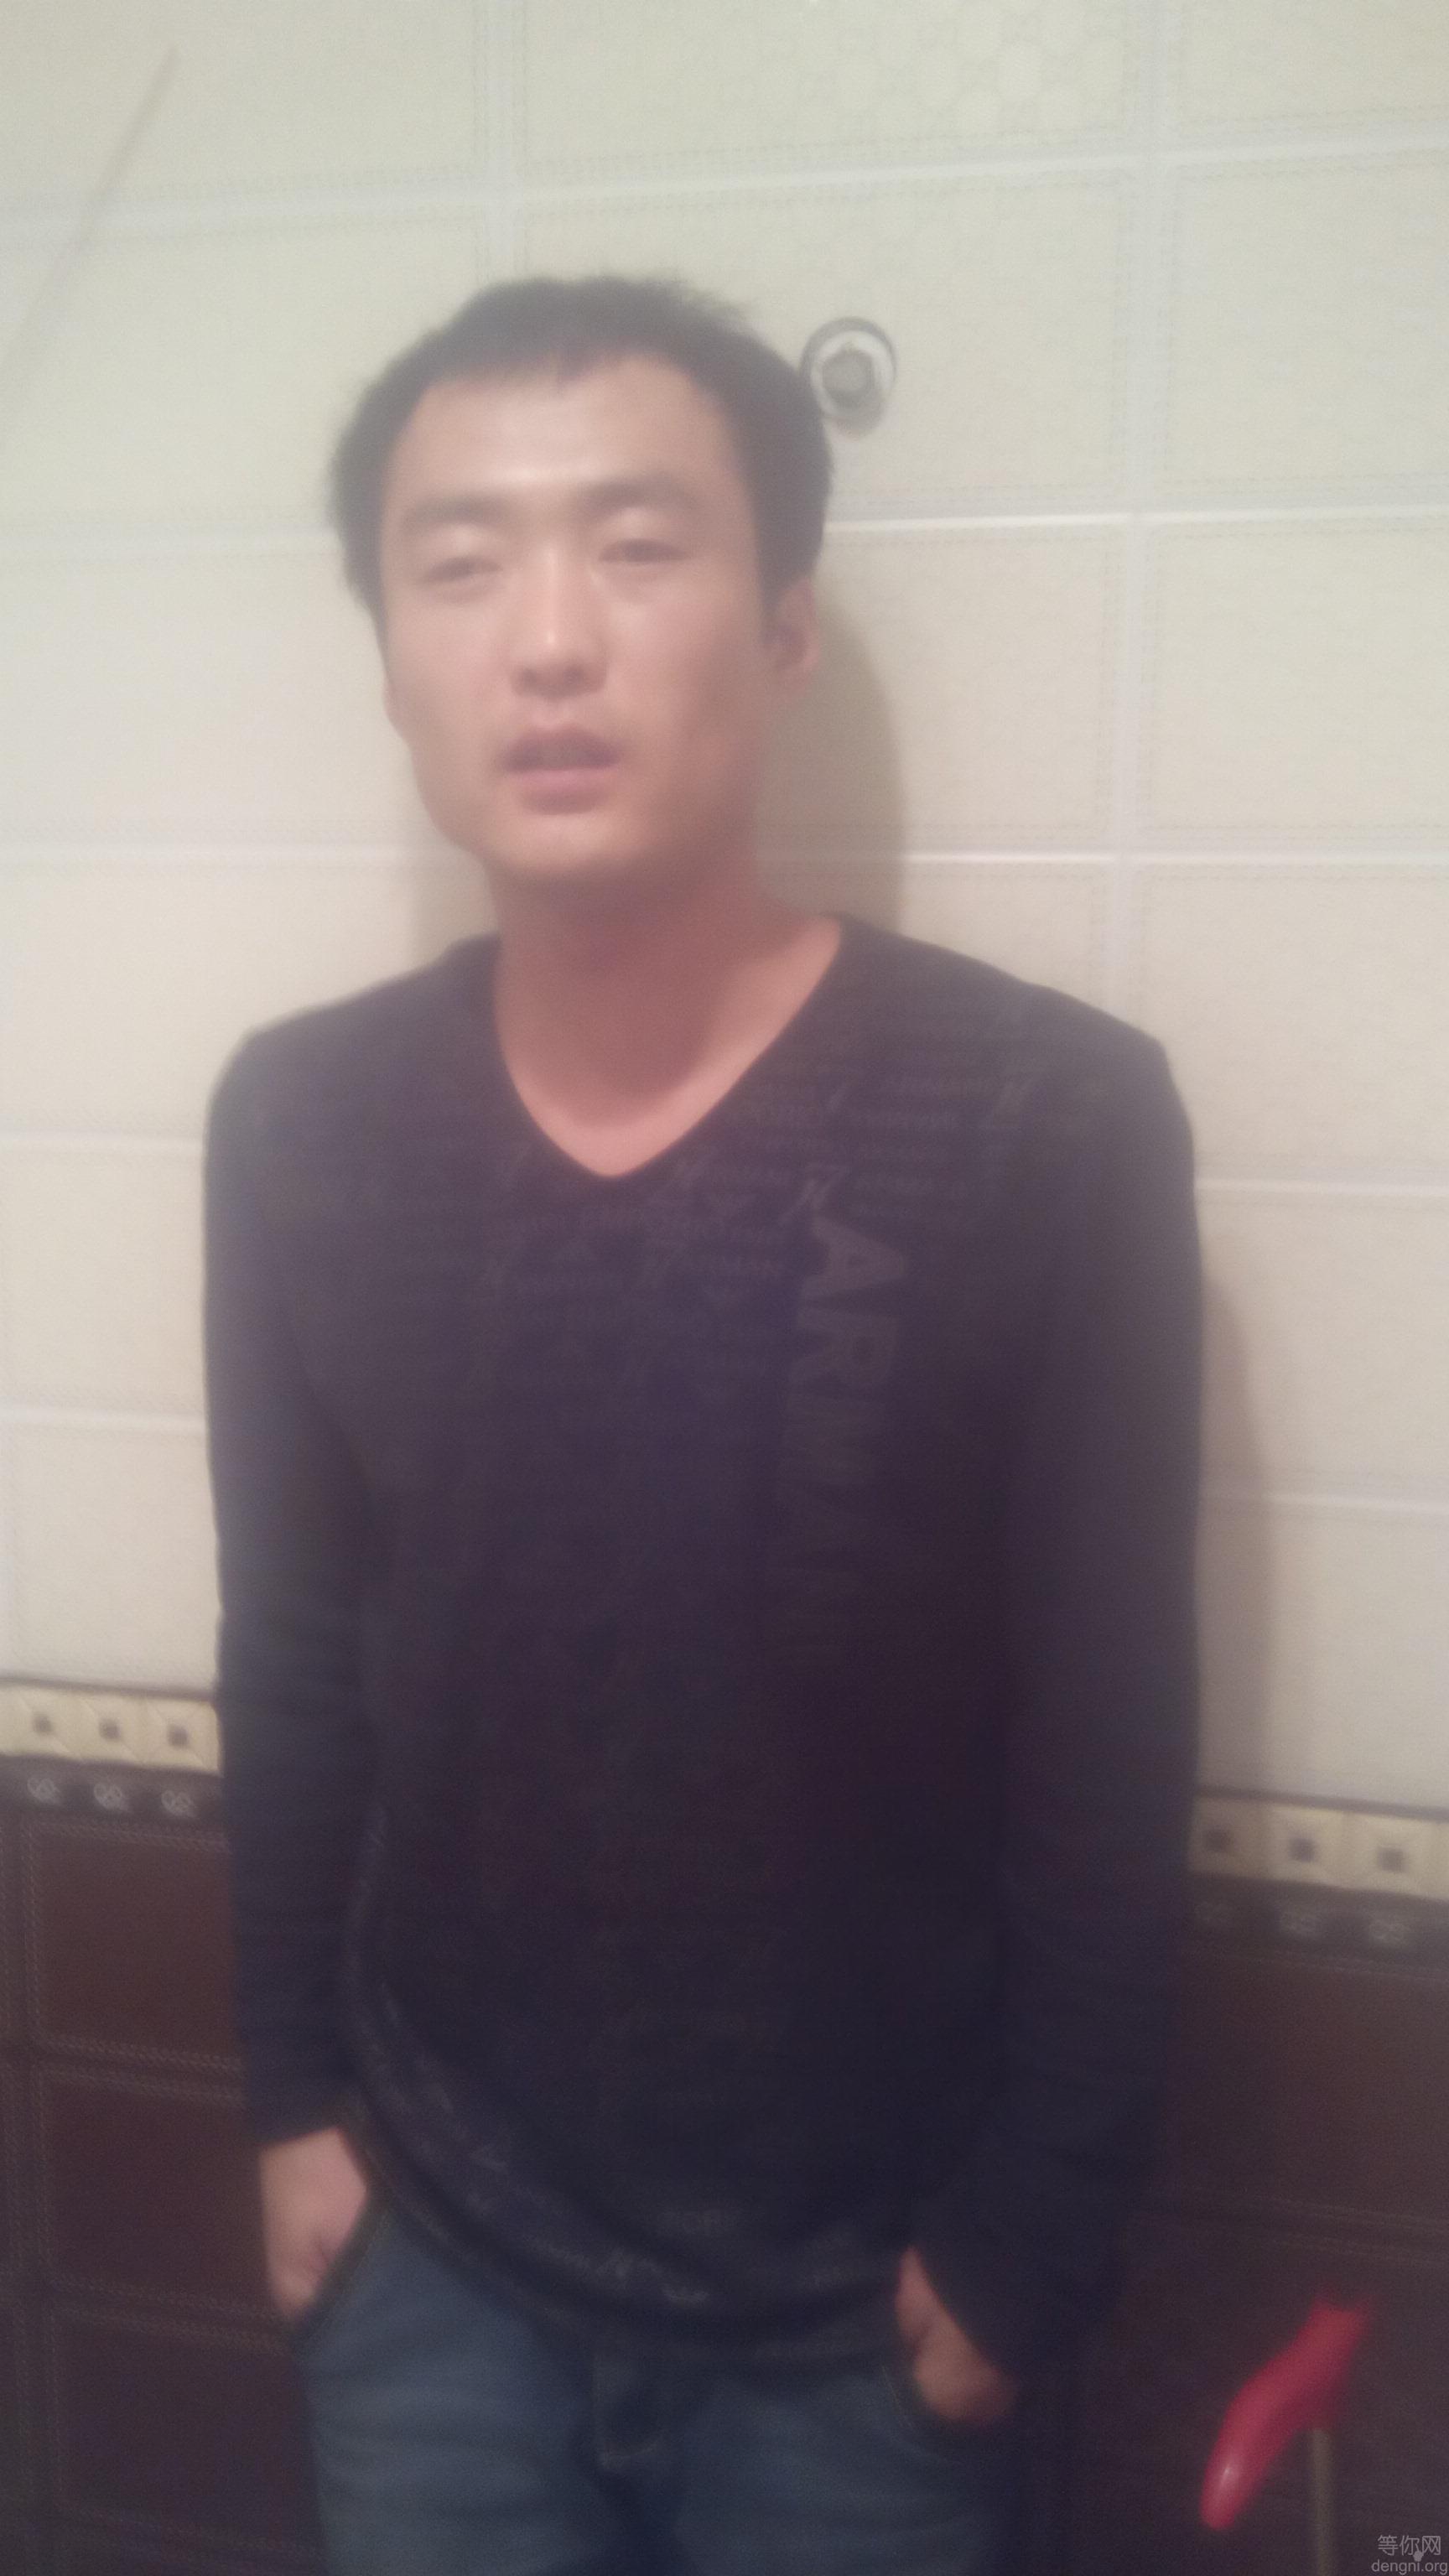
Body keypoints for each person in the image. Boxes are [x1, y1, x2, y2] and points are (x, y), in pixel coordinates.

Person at [202, 272, 1202, 2576]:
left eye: (639, 545)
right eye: (461, 566)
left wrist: (1031, 2247)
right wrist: (288, 2107)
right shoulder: (299, 1121)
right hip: (426, 2265)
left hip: (875, 2315)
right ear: (390, 659)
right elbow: (295, 1646)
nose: (549, 642)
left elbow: (1110, 1719)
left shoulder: (1045, 1120)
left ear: (783, 632)